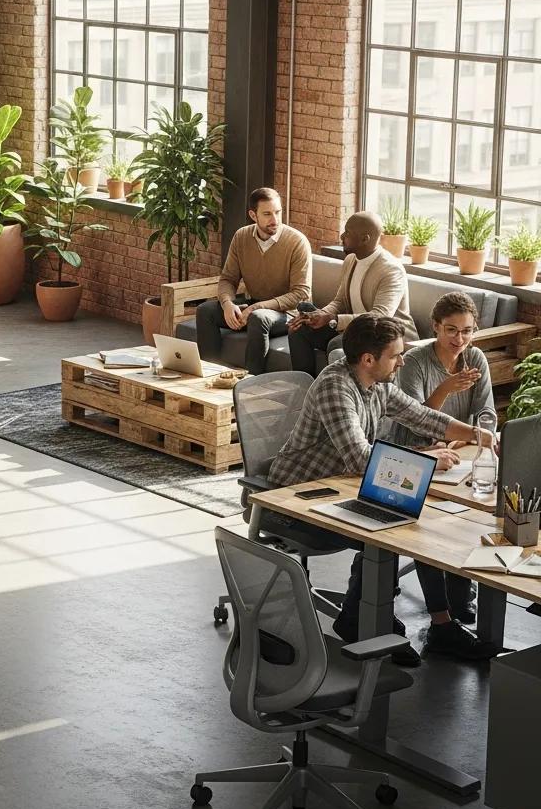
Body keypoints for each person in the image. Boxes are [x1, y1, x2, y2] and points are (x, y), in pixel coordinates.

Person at [265, 315, 497, 666]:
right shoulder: (335, 387)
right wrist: (425, 457)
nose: (402, 362)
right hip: (297, 496)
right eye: (396, 355)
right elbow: (360, 458)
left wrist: (481, 436)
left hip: (343, 485)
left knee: (417, 519)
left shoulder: (378, 384)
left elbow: (423, 417)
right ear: (368, 359)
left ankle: (438, 625)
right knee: (394, 532)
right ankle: (364, 620)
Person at [389, 292, 495, 659]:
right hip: (415, 454)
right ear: (435, 327)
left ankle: (459, 598)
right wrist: (446, 388)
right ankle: (442, 621)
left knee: (476, 514)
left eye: (467, 331)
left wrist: (467, 441)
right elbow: (414, 420)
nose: (459, 339)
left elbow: (485, 416)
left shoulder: (475, 358)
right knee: (427, 528)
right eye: (451, 330)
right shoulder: (416, 362)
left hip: (458, 455)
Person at [196, 187, 312, 374]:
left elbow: (301, 294)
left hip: (287, 314)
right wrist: (227, 304)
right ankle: (211, 375)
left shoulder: (297, 242)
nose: (275, 220)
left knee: (258, 318)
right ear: (253, 215)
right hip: (253, 305)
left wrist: (256, 308)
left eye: (278, 212)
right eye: (267, 214)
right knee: (205, 311)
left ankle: (251, 382)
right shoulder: (241, 237)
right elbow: (228, 279)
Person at [287, 211, 416, 376]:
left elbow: (380, 317)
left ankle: (338, 390)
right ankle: (305, 385)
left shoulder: (390, 270)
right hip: (355, 330)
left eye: (347, 233)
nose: (342, 236)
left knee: (338, 344)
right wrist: (320, 315)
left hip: (385, 336)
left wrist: (334, 319)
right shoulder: (351, 260)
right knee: (299, 329)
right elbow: (340, 301)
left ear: (365, 239)